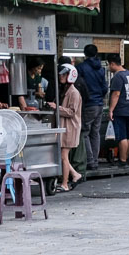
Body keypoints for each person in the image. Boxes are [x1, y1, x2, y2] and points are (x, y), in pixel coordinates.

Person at [49, 63, 83, 192]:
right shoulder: (67, 91)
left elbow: (71, 112)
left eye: (64, 74)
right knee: (63, 155)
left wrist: (56, 107)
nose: (61, 76)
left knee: (64, 156)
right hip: (66, 127)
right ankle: (75, 175)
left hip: (70, 127)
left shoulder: (74, 93)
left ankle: (65, 183)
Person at [78, 44, 108, 171]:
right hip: (100, 104)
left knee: (84, 132)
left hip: (89, 104)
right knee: (95, 133)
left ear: (85, 54)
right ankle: (95, 160)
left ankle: (90, 161)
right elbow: (105, 87)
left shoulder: (81, 68)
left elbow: (78, 85)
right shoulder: (101, 68)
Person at [107, 54, 129, 168]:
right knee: (128, 136)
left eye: (109, 65)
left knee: (121, 136)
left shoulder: (118, 77)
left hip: (120, 110)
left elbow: (116, 94)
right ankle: (126, 159)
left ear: (113, 64)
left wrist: (111, 110)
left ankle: (122, 161)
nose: (109, 67)